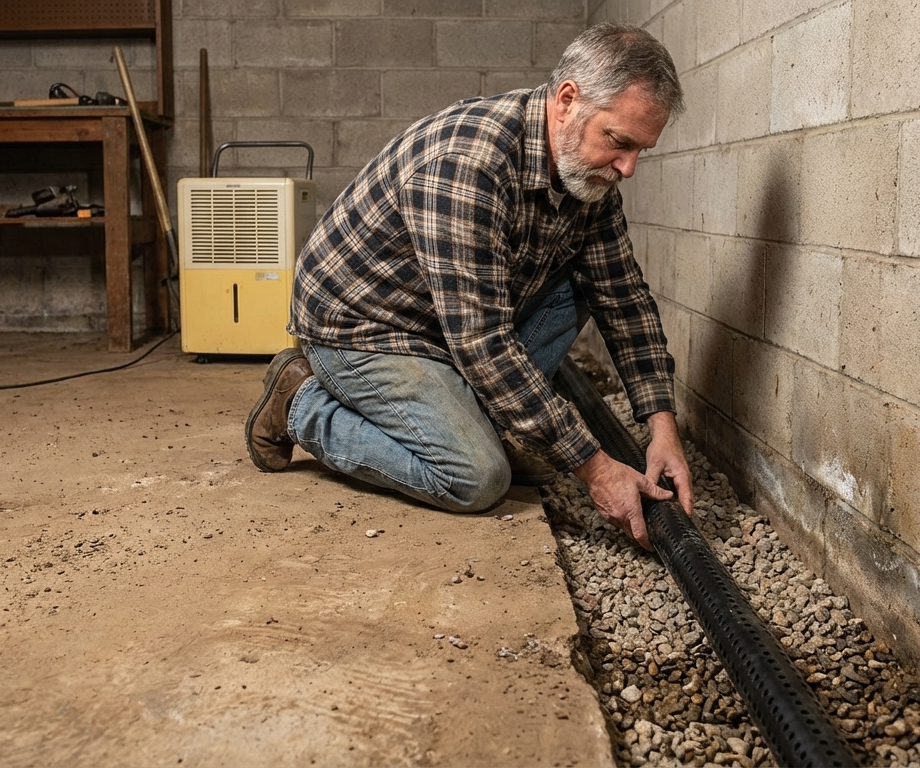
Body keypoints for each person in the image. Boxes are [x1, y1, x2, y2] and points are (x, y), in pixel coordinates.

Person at [245, 22, 692, 549]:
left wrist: (663, 428)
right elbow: (482, 343)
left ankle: (472, 418)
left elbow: (625, 299)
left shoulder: (588, 179)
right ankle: (301, 401)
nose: (629, 167)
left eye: (642, 150)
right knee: (479, 478)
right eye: (618, 142)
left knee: (586, 289)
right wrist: (596, 469)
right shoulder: (468, 163)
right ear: (567, 100)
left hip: (448, 324)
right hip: (365, 327)